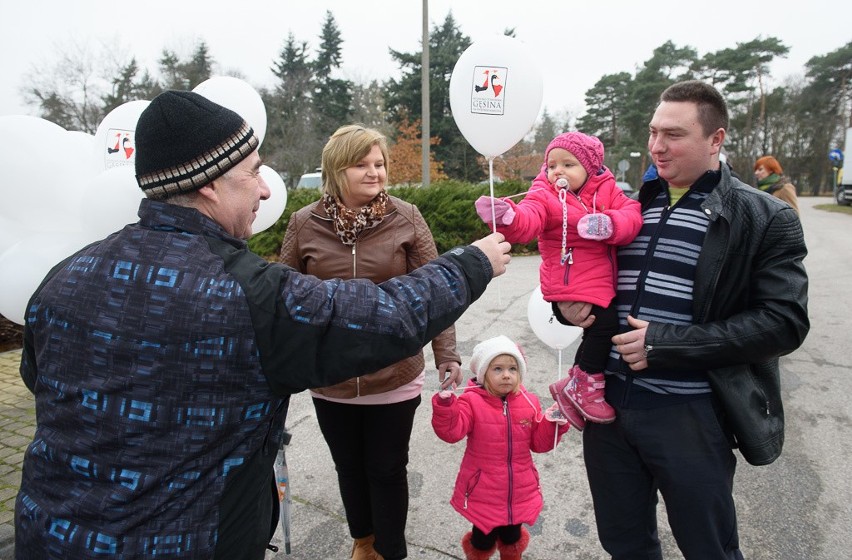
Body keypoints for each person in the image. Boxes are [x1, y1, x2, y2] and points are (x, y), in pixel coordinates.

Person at [14, 91, 512, 560]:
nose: (267, 187)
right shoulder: (244, 295)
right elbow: (381, 318)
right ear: (209, 182)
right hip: (188, 542)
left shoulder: (64, 277)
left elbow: (41, 381)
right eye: (253, 172)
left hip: (48, 536)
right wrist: (472, 263)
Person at [555, 80, 809, 559]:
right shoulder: (624, 206)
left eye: (673, 134)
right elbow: (582, 275)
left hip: (690, 416)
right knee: (625, 545)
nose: (656, 146)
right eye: (653, 132)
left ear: (716, 140)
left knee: (708, 547)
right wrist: (564, 307)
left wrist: (667, 344)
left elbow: (784, 322)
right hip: (607, 409)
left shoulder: (764, 216)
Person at [278, 124, 463, 560]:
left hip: (394, 374)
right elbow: (282, 297)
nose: (374, 172)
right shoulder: (304, 224)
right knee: (348, 467)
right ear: (336, 170)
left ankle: (392, 551)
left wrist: (447, 353)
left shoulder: (407, 217)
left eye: (378, 164)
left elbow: (438, 290)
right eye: (361, 164)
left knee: (386, 469)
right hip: (332, 379)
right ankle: (363, 542)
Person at [474, 132, 642, 430]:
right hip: (568, 281)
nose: (557, 171)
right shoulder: (546, 194)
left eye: (568, 164)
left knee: (598, 331)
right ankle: (584, 383)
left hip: (599, 279)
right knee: (604, 326)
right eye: (552, 165)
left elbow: (632, 215)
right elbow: (530, 218)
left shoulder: (607, 190)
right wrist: (508, 217)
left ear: (590, 168)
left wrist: (610, 223)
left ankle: (577, 382)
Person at [430, 335, 570, 560]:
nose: (506, 374)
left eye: (513, 368)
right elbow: (451, 432)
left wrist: (553, 424)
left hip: (519, 491)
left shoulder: (529, 401)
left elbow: (539, 443)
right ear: (484, 373)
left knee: (512, 537)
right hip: (483, 490)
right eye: (498, 368)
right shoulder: (471, 402)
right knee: (482, 539)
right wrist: (446, 407)